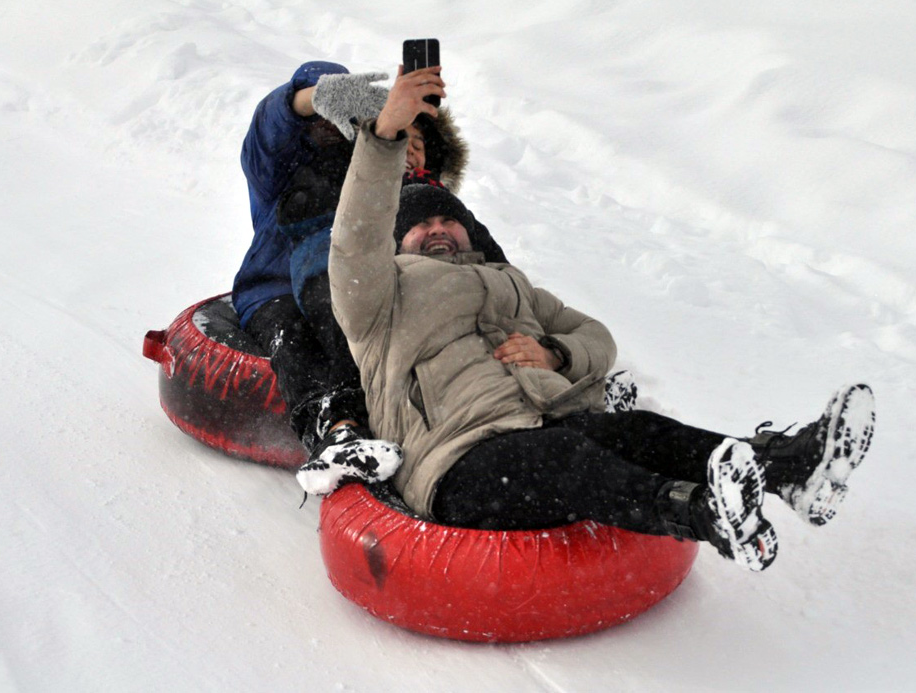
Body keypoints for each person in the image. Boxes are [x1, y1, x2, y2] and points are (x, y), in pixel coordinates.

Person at [321, 69, 878, 571]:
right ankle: (700, 513)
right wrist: (386, 135)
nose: (438, 229)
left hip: (541, 423)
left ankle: (788, 469)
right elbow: (355, 239)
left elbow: (596, 337)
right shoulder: (378, 297)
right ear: (398, 242)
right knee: (564, 457)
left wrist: (557, 354)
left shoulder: (512, 283)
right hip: (455, 461)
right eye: (421, 225)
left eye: (449, 219)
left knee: (638, 431)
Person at [230, 59, 505, 470]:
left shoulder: (413, 198)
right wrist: (310, 100)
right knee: (301, 336)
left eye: (418, 143)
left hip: (377, 293)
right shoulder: (290, 174)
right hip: (279, 288)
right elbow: (270, 132)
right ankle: (334, 427)